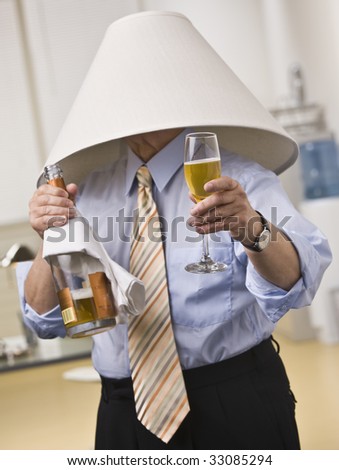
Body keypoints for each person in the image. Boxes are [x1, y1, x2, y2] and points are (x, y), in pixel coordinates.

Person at [19, 12, 331, 450]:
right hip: (124, 412)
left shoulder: (242, 178)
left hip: (237, 400)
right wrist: (46, 238)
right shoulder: (80, 192)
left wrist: (251, 228)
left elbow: (298, 282)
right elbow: (44, 320)